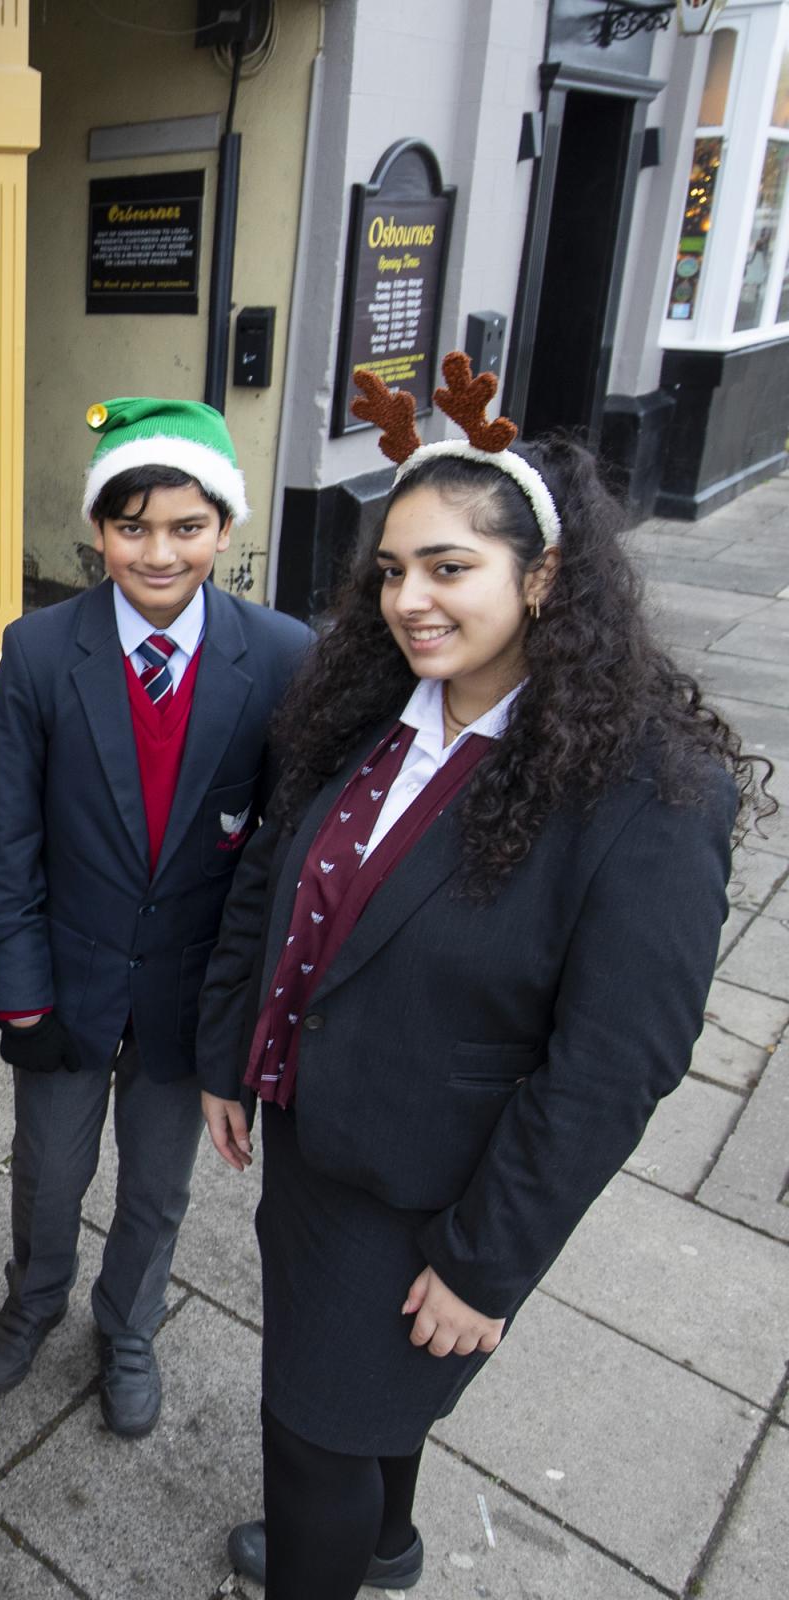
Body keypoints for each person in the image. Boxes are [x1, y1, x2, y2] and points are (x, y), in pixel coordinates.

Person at [195, 358, 771, 1600]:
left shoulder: (645, 792)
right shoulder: (364, 710)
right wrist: (237, 1056)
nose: (410, 599)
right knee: (357, 1410)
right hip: (313, 1144)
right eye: (393, 569)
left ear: (544, 576)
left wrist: (484, 1262)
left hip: (434, 1184)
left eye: (449, 567)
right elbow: (275, 893)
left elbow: (620, 1058)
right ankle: (385, 1542)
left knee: (310, 1436)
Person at [0, 398, 311, 1436]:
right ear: (100, 532)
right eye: (132, 527)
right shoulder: (39, 650)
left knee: (159, 1187)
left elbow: (279, 855)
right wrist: (18, 985)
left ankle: (128, 1323)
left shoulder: (283, 655)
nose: (159, 552)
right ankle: (33, 1301)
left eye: (187, 527)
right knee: (49, 1170)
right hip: (65, 986)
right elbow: (1, 834)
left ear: (225, 528)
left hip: (191, 994)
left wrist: (248, 1016)